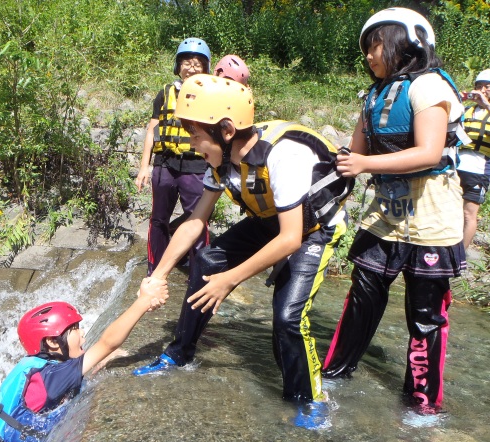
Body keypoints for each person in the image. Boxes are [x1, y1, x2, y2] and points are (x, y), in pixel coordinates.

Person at [132, 73, 349, 416]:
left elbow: (291, 238)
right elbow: (194, 222)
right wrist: (157, 275)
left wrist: (230, 279)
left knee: (288, 317)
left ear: (227, 131)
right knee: (205, 261)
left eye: (196, 134)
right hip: (270, 220)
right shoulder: (220, 161)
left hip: (313, 230)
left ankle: (309, 400)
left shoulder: (282, 155)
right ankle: (179, 352)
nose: (191, 144)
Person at [321, 8, 467, 414]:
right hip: (385, 216)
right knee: (363, 297)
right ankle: (335, 374)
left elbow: (429, 152)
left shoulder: (429, 87)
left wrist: (364, 165)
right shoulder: (374, 96)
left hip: (432, 219)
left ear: (409, 45)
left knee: (424, 316)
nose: (369, 56)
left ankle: (422, 405)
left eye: (377, 46)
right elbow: (356, 154)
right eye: (366, 48)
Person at [0, 278, 168, 442]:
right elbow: (107, 343)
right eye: (75, 329)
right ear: (51, 342)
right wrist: (143, 302)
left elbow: (78, 372)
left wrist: (102, 359)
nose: (82, 333)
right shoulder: (52, 377)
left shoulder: (37, 367)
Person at [136, 37, 211, 275]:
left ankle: (198, 270)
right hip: (165, 165)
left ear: (206, 68)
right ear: (178, 66)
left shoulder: (211, 94)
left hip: (195, 165)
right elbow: (152, 130)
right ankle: (154, 268)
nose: (191, 66)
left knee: (196, 218)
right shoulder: (165, 93)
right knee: (158, 219)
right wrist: (143, 167)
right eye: (186, 61)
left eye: (198, 62)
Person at [457, 69, 490, 249]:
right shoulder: (467, 110)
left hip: (479, 168)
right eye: (479, 86)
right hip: (456, 165)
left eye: (487, 87)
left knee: (469, 214)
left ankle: (460, 255)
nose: (482, 90)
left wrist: (486, 105)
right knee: (451, 211)